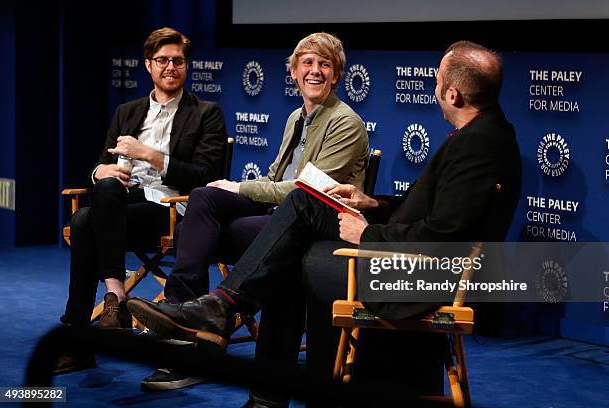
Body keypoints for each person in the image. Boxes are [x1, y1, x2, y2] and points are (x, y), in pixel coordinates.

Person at [128, 40, 522, 407]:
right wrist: (374, 203)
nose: (433, 86)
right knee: (297, 217)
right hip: (413, 264)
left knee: (292, 245)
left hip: (418, 279)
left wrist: (368, 232)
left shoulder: (477, 146)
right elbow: (438, 214)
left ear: (453, 94)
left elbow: (443, 236)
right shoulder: (484, 135)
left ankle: (235, 333)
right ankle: (229, 322)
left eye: (437, 79)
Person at [139, 32, 369, 390]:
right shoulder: (297, 117)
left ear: (337, 75)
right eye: (307, 63)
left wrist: (239, 186)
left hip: (312, 223)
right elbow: (277, 177)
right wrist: (230, 188)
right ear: (293, 71)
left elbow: (309, 194)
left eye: (325, 65)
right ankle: (180, 310)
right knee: (203, 197)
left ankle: (199, 332)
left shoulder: (345, 123)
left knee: (202, 230)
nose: (315, 71)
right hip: (278, 212)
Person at [56, 27, 228, 374]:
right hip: (122, 202)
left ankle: (86, 331)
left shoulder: (206, 113)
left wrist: (148, 154)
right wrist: (99, 172)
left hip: (171, 207)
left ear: (186, 67)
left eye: (178, 61)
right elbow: (102, 163)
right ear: (148, 65)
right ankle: (116, 297)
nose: (170, 67)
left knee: (84, 222)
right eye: (162, 60)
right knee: (103, 192)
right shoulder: (128, 111)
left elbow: (205, 176)